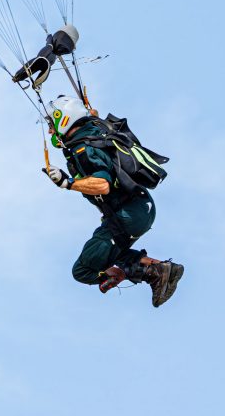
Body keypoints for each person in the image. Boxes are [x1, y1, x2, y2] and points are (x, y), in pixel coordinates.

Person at [44, 93, 184, 306]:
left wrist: (67, 183)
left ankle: (140, 273)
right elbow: (94, 117)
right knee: (109, 250)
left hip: (128, 214)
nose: (50, 131)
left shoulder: (82, 148)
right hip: (138, 209)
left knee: (82, 270)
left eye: (51, 124)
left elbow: (102, 184)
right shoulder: (95, 130)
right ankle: (159, 270)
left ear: (64, 119)